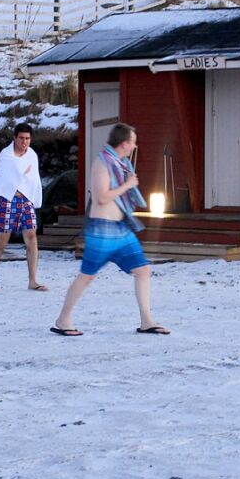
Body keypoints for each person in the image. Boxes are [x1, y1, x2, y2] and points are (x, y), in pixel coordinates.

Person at [51, 123, 169, 336]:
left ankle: (147, 320)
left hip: (121, 229)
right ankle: (63, 319)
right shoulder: (102, 164)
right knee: (87, 276)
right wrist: (127, 185)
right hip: (102, 231)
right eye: (133, 141)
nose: (135, 146)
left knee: (143, 270)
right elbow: (101, 197)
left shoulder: (121, 164)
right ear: (124, 143)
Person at [0, 123, 47, 292]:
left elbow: (33, 177)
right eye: (21, 138)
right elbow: (11, 174)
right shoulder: (6, 155)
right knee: (2, 242)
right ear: (15, 138)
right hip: (8, 199)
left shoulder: (32, 155)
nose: (24, 142)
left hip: (26, 200)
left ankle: (33, 280)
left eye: (27, 138)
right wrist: (22, 171)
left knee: (32, 237)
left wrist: (34, 199)